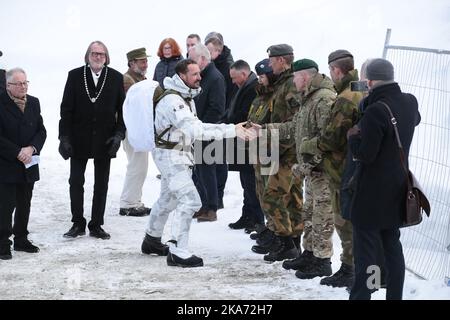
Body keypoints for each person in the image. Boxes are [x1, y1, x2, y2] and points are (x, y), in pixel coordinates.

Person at [141, 58, 253, 267]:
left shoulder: (186, 96)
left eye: (199, 73)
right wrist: (232, 130)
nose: (199, 77)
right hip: (170, 157)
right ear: (182, 76)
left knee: (168, 199)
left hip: (177, 154)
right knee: (190, 200)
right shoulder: (174, 101)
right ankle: (178, 250)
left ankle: (151, 240)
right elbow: (196, 130)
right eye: (194, 74)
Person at [347, 58, 420, 300]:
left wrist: (353, 137)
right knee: (391, 247)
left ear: (369, 81)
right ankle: (393, 297)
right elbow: (414, 119)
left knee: (367, 253)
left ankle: (364, 295)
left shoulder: (376, 110)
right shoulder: (409, 101)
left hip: (371, 193)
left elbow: (365, 155)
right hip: (398, 187)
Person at [265, 58, 336, 275]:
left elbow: (328, 139)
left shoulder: (323, 99)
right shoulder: (309, 98)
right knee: (309, 213)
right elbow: (294, 128)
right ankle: (310, 253)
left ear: (304, 77)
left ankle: (323, 261)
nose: (293, 81)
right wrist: (263, 129)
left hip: (322, 170)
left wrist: (309, 163)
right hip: (311, 170)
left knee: (323, 217)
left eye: (295, 77)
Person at [59, 41, 126, 240]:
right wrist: (64, 137)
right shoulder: (75, 75)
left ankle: (96, 224)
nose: (98, 57)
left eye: (102, 54)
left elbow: (122, 111)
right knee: (76, 181)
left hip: (105, 139)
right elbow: (66, 110)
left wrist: (119, 135)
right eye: (94, 53)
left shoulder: (115, 77)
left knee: (101, 184)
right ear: (88, 55)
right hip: (78, 138)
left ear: (106, 57)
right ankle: (77, 223)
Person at [307, 50, 363, 288]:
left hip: (341, 169)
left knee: (344, 222)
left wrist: (311, 144)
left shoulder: (345, 98)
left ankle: (350, 269)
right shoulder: (362, 88)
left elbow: (332, 138)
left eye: (331, 71)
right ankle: (355, 268)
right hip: (356, 167)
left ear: (336, 70)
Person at [252, 44, 304, 263]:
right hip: (277, 147)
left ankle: (286, 242)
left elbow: (295, 120)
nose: (270, 64)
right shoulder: (281, 83)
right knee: (290, 197)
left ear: (282, 61)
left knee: (275, 196)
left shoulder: (291, 84)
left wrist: (280, 147)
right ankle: (291, 243)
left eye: (272, 60)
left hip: (286, 151)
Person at [0, 68, 46, 260]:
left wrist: (32, 148)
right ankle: (3, 243)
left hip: (29, 162)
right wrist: (17, 151)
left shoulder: (34, 102)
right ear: (8, 86)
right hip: (7, 163)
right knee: (5, 205)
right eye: (18, 83)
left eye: (25, 82)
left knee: (24, 203)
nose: (23, 86)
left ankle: (21, 239)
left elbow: (41, 130)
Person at [188, 44, 227, 222]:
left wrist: (201, 126)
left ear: (203, 59)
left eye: (192, 58)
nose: (189, 62)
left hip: (209, 131)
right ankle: (204, 204)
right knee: (200, 171)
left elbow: (217, 108)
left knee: (208, 171)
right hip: (200, 130)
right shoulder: (203, 76)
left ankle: (212, 207)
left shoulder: (215, 77)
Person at [225, 60, 264, 231]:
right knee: (245, 181)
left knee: (251, 183)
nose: (233, 82)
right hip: (242, 140)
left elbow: (246, 115)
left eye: (234, 78)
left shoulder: (253, 87)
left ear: (243, 74)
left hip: (250, 141)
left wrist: (228, 123)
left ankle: (256, 219)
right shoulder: (243, 86)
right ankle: (247, 215)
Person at [119, 47, 153, 217]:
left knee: (140, 166)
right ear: (132, 63)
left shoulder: (138, 78)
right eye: (142, 61)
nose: (146, 64)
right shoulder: (127, 80)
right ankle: (128, 204)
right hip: (132, 129)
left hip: (138, 128)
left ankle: (135, 201)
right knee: (137, 165)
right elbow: (134, 106)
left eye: (146, 61)